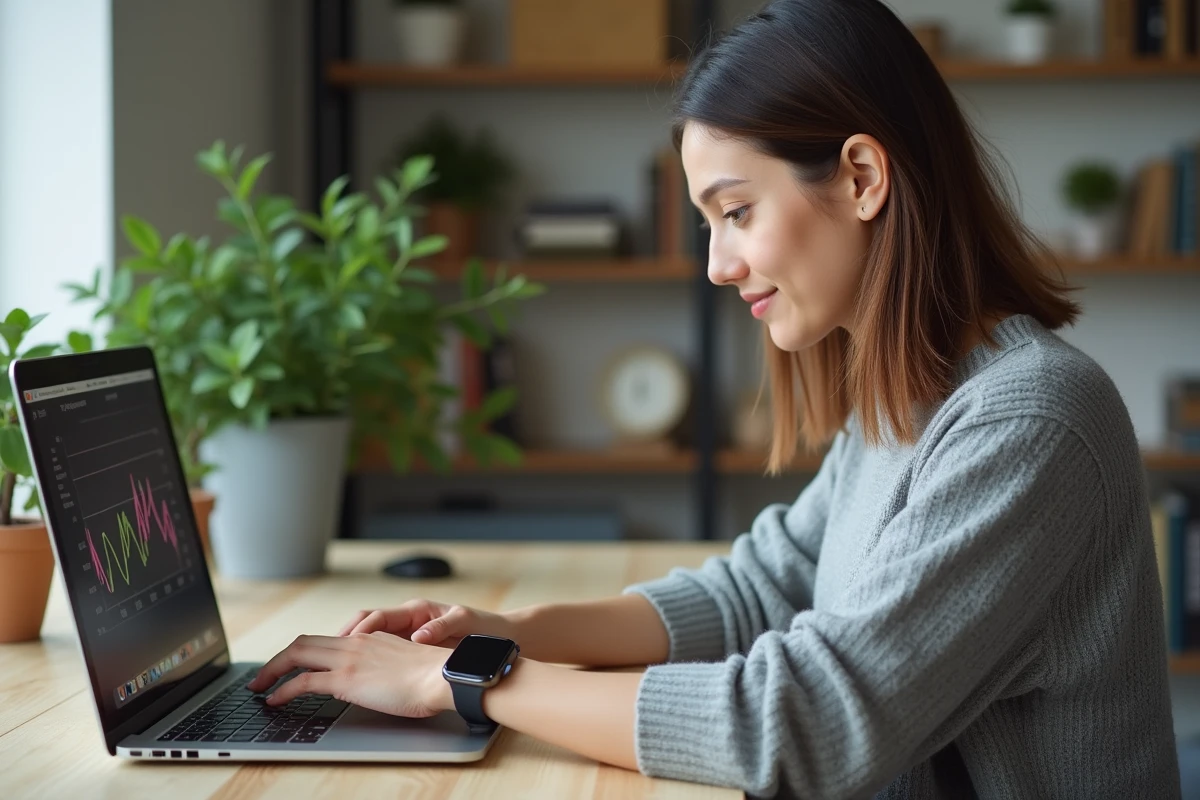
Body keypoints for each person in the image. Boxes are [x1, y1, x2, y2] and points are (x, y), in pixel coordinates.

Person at [248, 0, 1180, 796]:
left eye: (736, 212)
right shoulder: (914, 394)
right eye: (707, 222)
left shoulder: (1032, 422)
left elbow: (814, 721)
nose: (717, 264)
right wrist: (508, 629)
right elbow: (760, 590)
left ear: (862, 178)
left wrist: (463, 681)